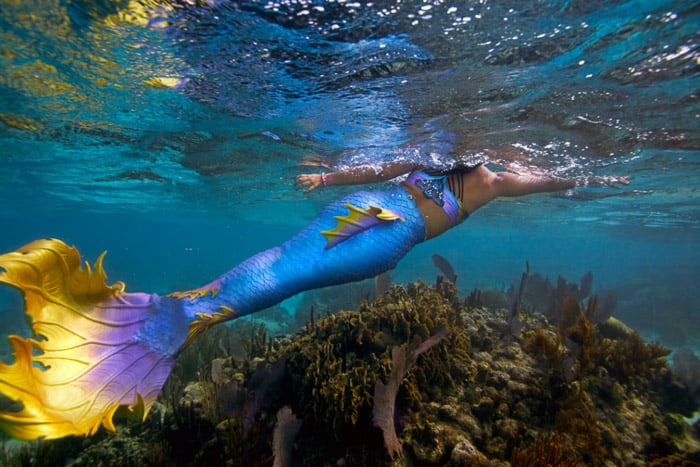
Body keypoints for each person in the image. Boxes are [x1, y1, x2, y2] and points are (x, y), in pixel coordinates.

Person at [0, 157, 628, 441]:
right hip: (380, 220)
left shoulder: (468, 172)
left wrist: (584, 178)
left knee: (287, 268)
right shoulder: (459, 165)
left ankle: (190, 309)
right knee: (285, 267)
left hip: (381, 219)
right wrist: (328, 177)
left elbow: (532, 182)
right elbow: (380, 163)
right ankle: (187, 311)